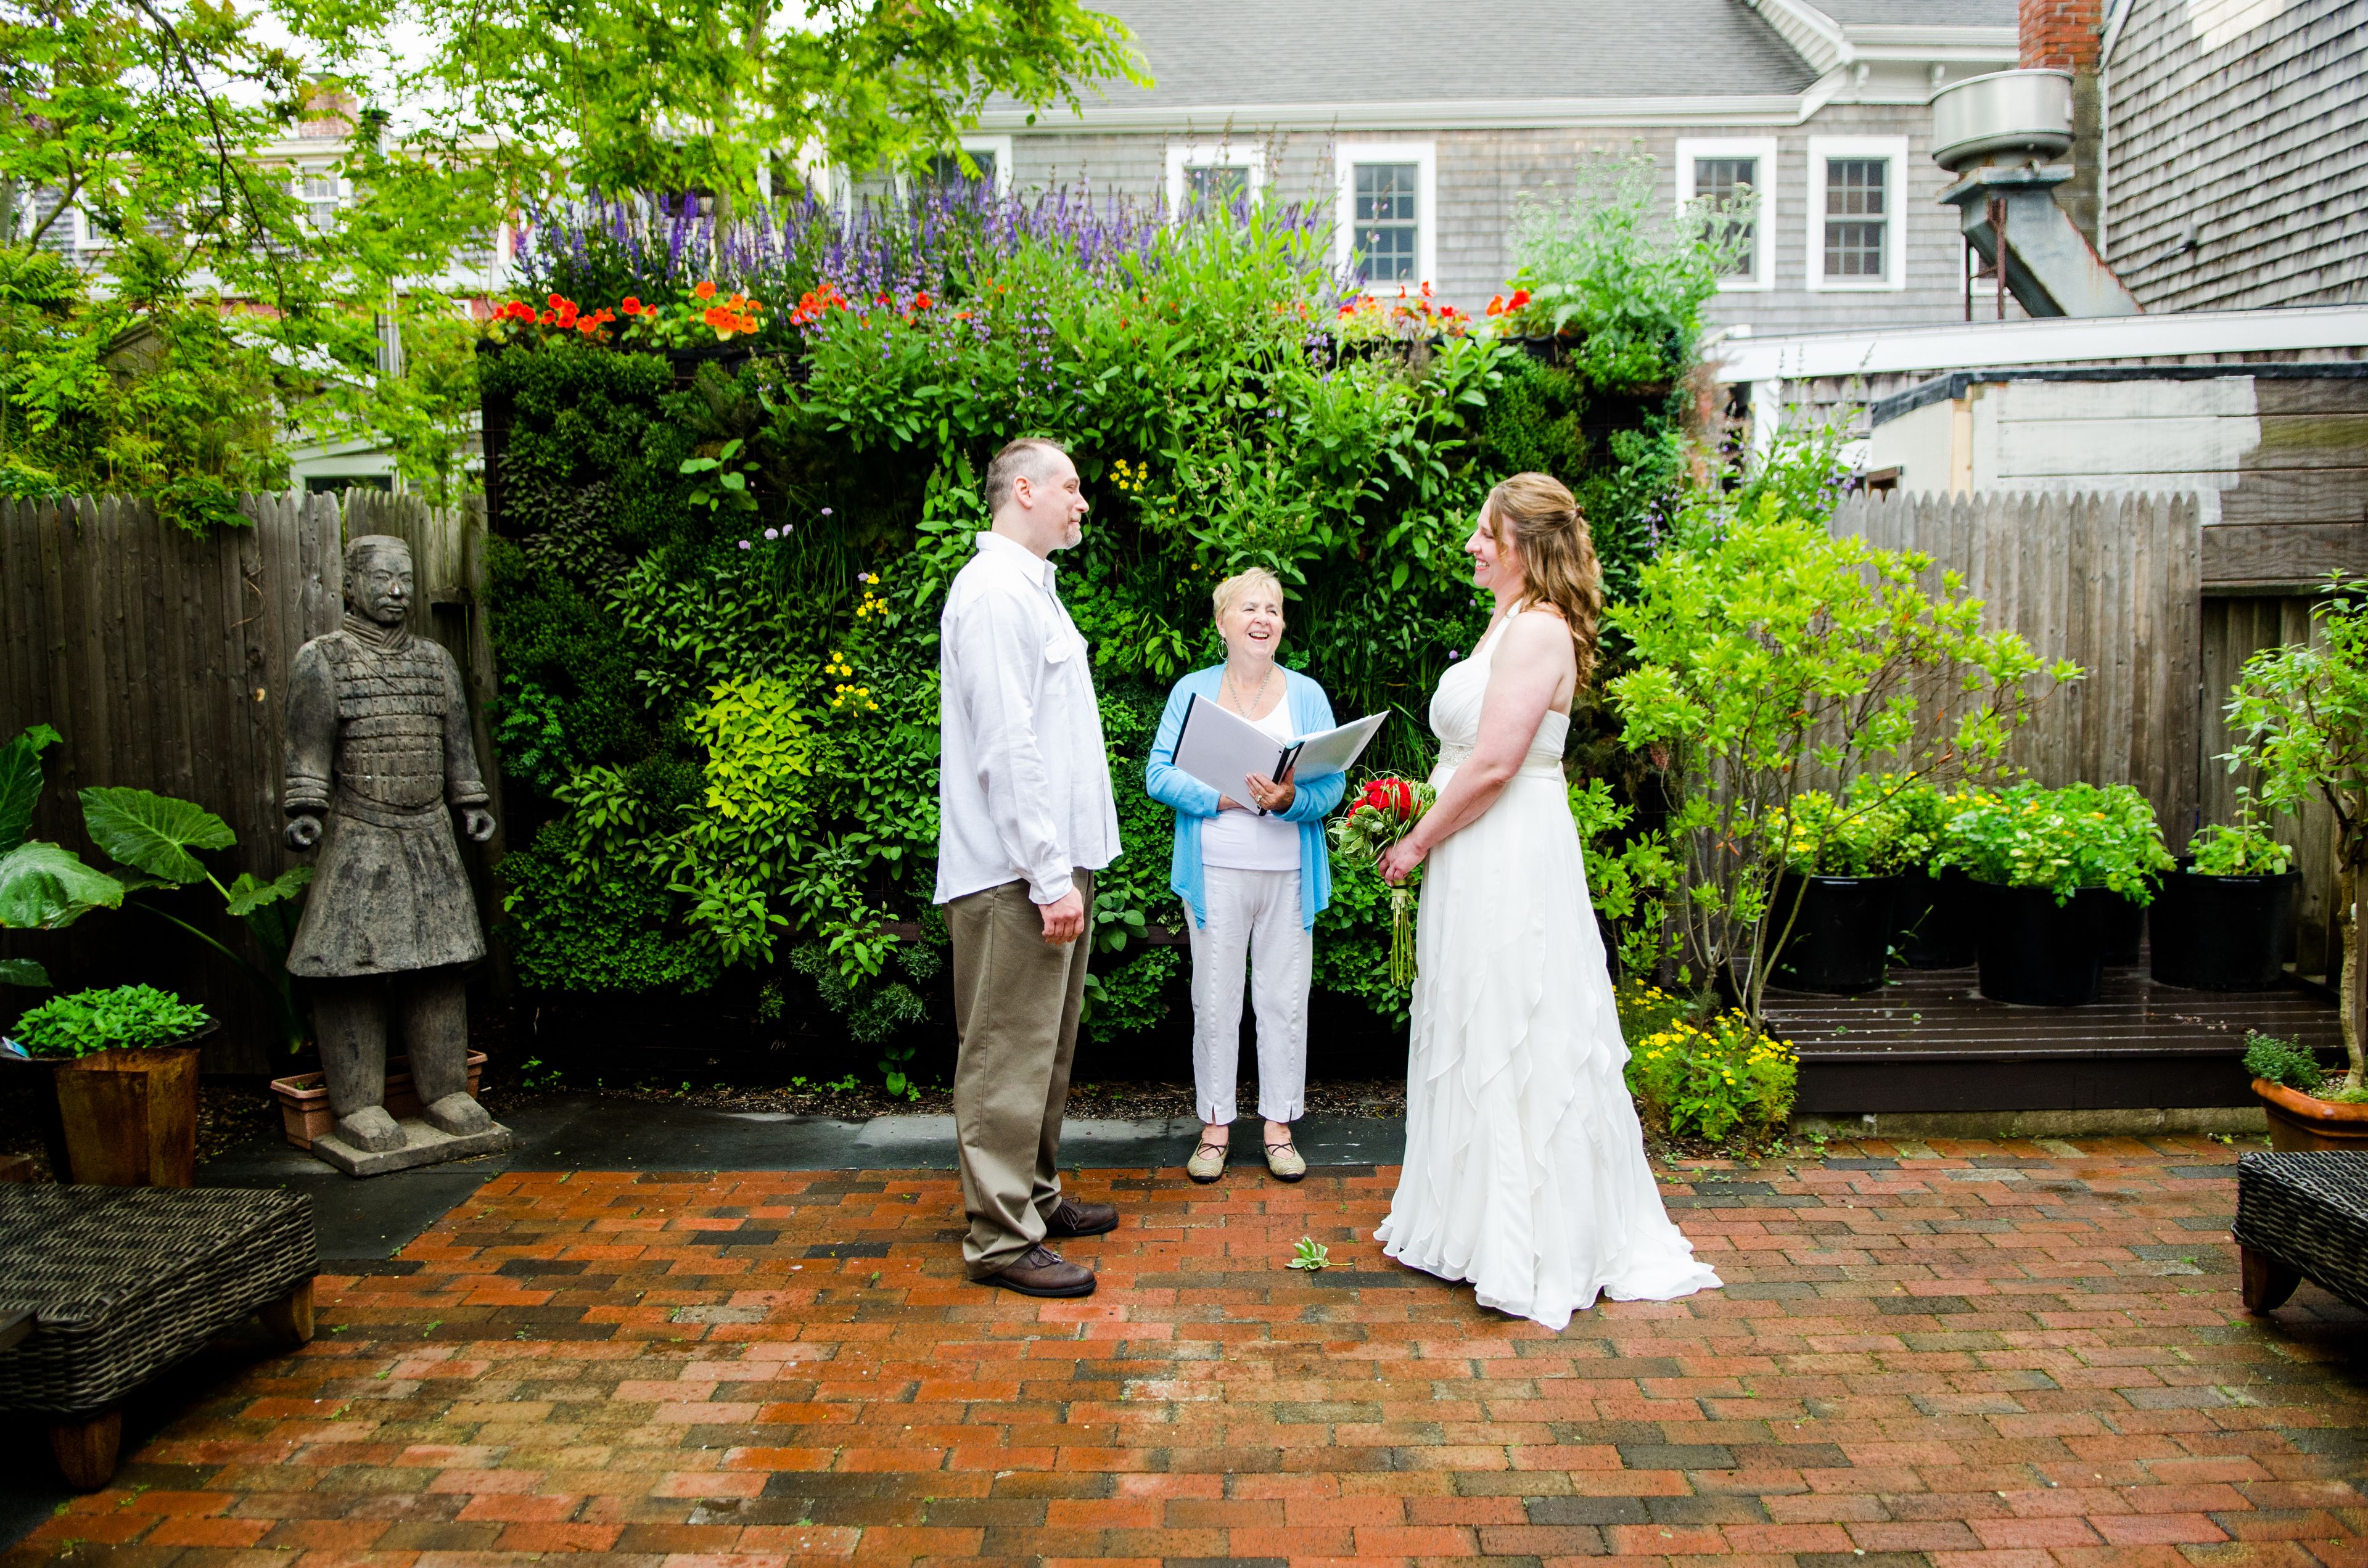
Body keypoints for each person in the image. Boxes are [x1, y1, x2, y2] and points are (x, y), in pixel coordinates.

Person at [1373, 472, 1721, 1330]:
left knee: (1515, 1020)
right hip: (1475, 839)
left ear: (1525, 543)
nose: (1472, 545)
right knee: (1471, 1015)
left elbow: (1495, 765)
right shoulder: (1506, 620)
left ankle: (1528, 1237)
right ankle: (1467, 1216)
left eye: (1486, 533)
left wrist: (1416, 840)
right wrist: (1415, 804)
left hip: (1507, 846)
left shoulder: (1537, 631)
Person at [935, 437, 1123, 1299]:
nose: (1083, 503)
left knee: (1044, 1049)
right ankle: (1003, 1237)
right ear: (1023, 488)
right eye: (1071, 487)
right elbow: (1006, 747)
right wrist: (1047, 874)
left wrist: (1069, 866)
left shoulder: (1032, 592)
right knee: (1006, 1049)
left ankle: (1034, 1198)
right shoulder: (990, 594)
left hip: (1053, 863)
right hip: (1014, 872)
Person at [1145, 569, 1347, 1184]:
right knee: (1215, 998)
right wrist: (1228, 797)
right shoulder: (1193, 691)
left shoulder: (1307, 693)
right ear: (1222, 622)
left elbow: (1333, 782)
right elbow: (1158, 774)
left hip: (1289, 873)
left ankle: (1280, 1126)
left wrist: (1291, 800)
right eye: (1251, 607)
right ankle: (1214, 1126)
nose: (1264, 618)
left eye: (1275, 609)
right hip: (1216, 871)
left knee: (1284, 999)